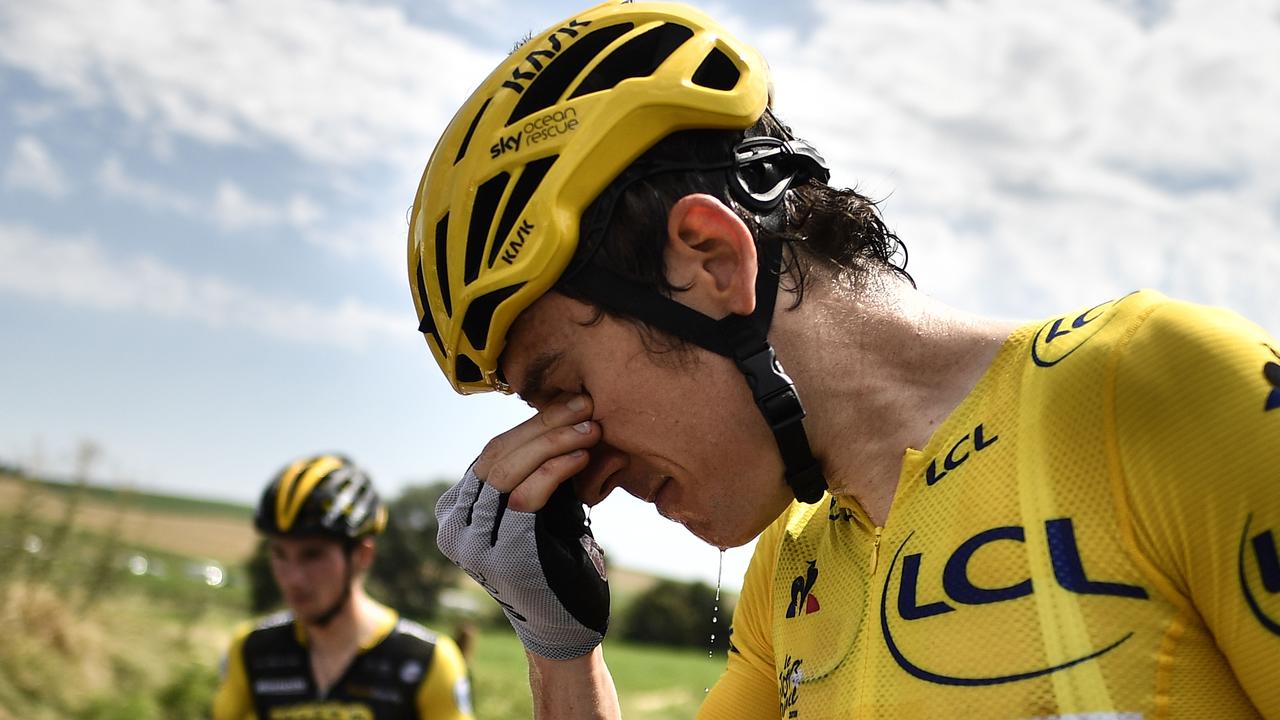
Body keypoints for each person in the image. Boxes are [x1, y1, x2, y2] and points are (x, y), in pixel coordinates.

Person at [408, 1, 1280, 717]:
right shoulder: (791, 571)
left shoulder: (1162, 390)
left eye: (562, 390)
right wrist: (560, 651)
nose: (579, 471)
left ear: (711, 261)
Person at [213, 454, 474, 720]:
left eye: (312, 555)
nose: (292, 578)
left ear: (362, 555)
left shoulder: (426, 660)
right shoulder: (250, 650)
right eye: (280, 554)